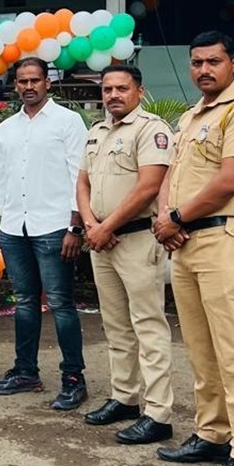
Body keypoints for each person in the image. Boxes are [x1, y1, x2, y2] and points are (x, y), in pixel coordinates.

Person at [152, 31, 234, 466]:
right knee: (201, 349)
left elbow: (229, 181)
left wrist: (176, 217)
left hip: (225, 239)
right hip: (185, 241)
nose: (204, 69)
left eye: (213, 61)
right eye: (197, 62)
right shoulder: (190, 117)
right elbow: (170, 176)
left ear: (233, 64)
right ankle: (212, 433)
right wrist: (167, 218)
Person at [76, 66, 175, 444]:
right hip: (101, 241)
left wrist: (107, 227)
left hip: (135, 240)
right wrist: (91, 224)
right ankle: (124, 397)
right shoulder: (97, 132)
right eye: (108, 89)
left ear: (140, 91)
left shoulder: (151, 129)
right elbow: (82, 182)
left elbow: (149, 186)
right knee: (115, 325)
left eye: (122, 88)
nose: (113, 95)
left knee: (148, 325)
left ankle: (158, 413)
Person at [0, 57, 90, 410]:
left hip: (55, 226)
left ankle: (73, 378)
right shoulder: (7, 128)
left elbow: (80, 176)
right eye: (22, 81)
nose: (28, 86)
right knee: (25, 302)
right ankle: (26, 371)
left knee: (60, 303)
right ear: (15, 85)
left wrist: (75, 226)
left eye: (35, 80)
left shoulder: (68, 121)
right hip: (15, 227)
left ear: (48, 82)